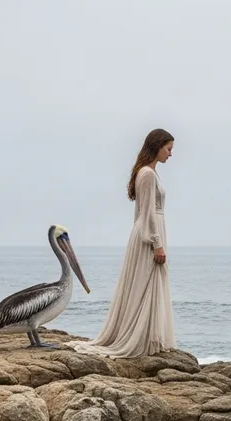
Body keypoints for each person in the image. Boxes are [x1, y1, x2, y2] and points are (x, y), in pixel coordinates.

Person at [72, 128, 176, 359]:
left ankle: (148, 336)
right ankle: (140, 339)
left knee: (147, 283)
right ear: (157, 146)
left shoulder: (148, 173)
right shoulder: (147, 174)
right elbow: (147, 212)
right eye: (168, 149)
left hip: (145, 232)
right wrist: (156, 243)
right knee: (146, 283)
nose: (171, 154)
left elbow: (140, 214)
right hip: (151, 232)